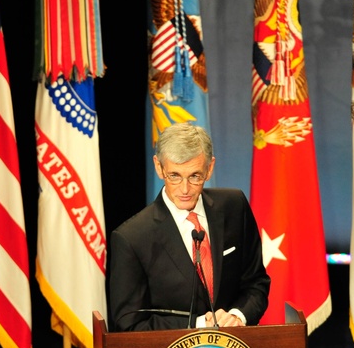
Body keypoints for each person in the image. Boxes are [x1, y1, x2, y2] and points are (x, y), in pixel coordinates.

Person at [108, 123, 270, 332]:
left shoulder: (234, 206)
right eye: (174, 176)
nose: (185, 189)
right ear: (159, 167)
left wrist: (237, 315)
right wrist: (199, 324)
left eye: (195, 176)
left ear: (209, 168)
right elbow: (128, 323)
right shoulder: (131, 237)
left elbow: (256, 283)